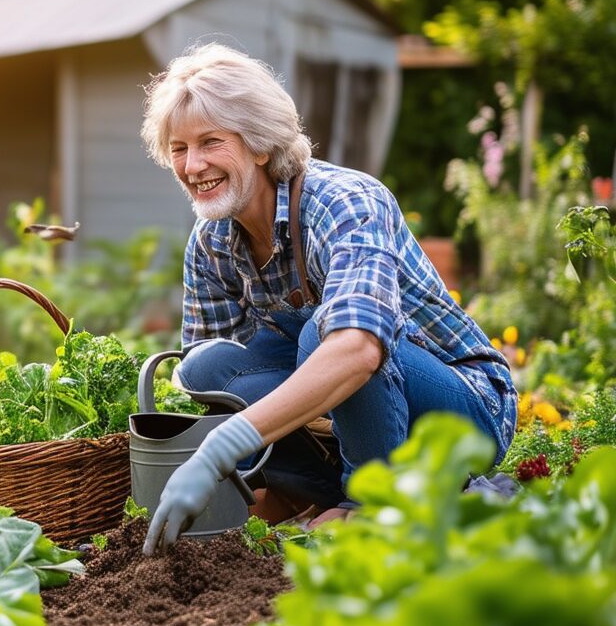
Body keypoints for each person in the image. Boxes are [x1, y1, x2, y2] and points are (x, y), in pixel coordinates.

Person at [137, 43, 517, 552]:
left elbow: (358, 349)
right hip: (350, 429)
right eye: (179, 148)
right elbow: (219, 397)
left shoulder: (345, 202)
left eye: (210, 142)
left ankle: (374, 503)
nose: (193, 164)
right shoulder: (211, 244)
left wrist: (219, 451)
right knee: (206, 367)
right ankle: (317, 494)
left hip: (461, 408)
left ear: (259, 144)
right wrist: (248, 488)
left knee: (330, 332)